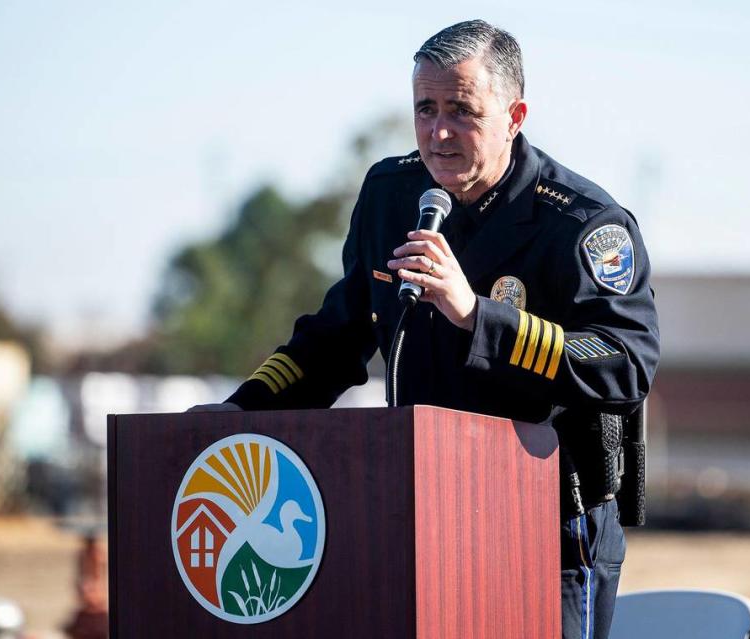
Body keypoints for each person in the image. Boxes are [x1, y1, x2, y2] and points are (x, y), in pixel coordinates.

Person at [195, 19, 660, 639]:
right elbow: (337, 336)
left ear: (515, 115)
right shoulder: (392, 195)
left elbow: (625, 362)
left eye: (462, 111)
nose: (439, 133)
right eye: (425, 108)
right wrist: (242, 411)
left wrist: (477, 316)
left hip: (549, 526)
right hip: (425, 510)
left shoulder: (581, 222)